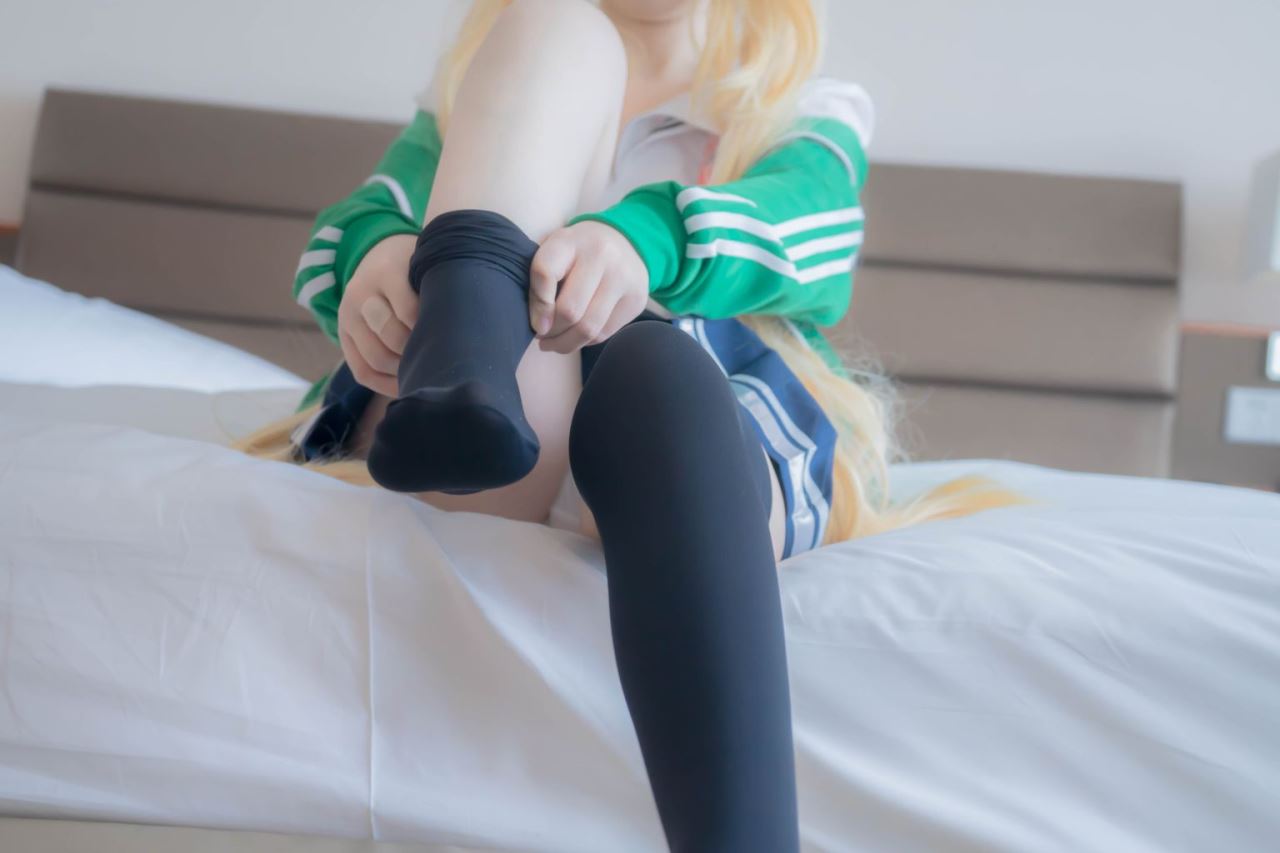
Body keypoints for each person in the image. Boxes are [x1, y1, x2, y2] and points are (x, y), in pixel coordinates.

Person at [240, 1, 1015, 848]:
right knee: (553, 27)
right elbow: (354, 222)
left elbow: (815, 235)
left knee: (656, 372)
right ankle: (463, 364)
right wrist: (380, 257)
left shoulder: (788, 102)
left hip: (685, 438)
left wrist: (645, 241)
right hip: (494, 427)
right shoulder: (488, 75)